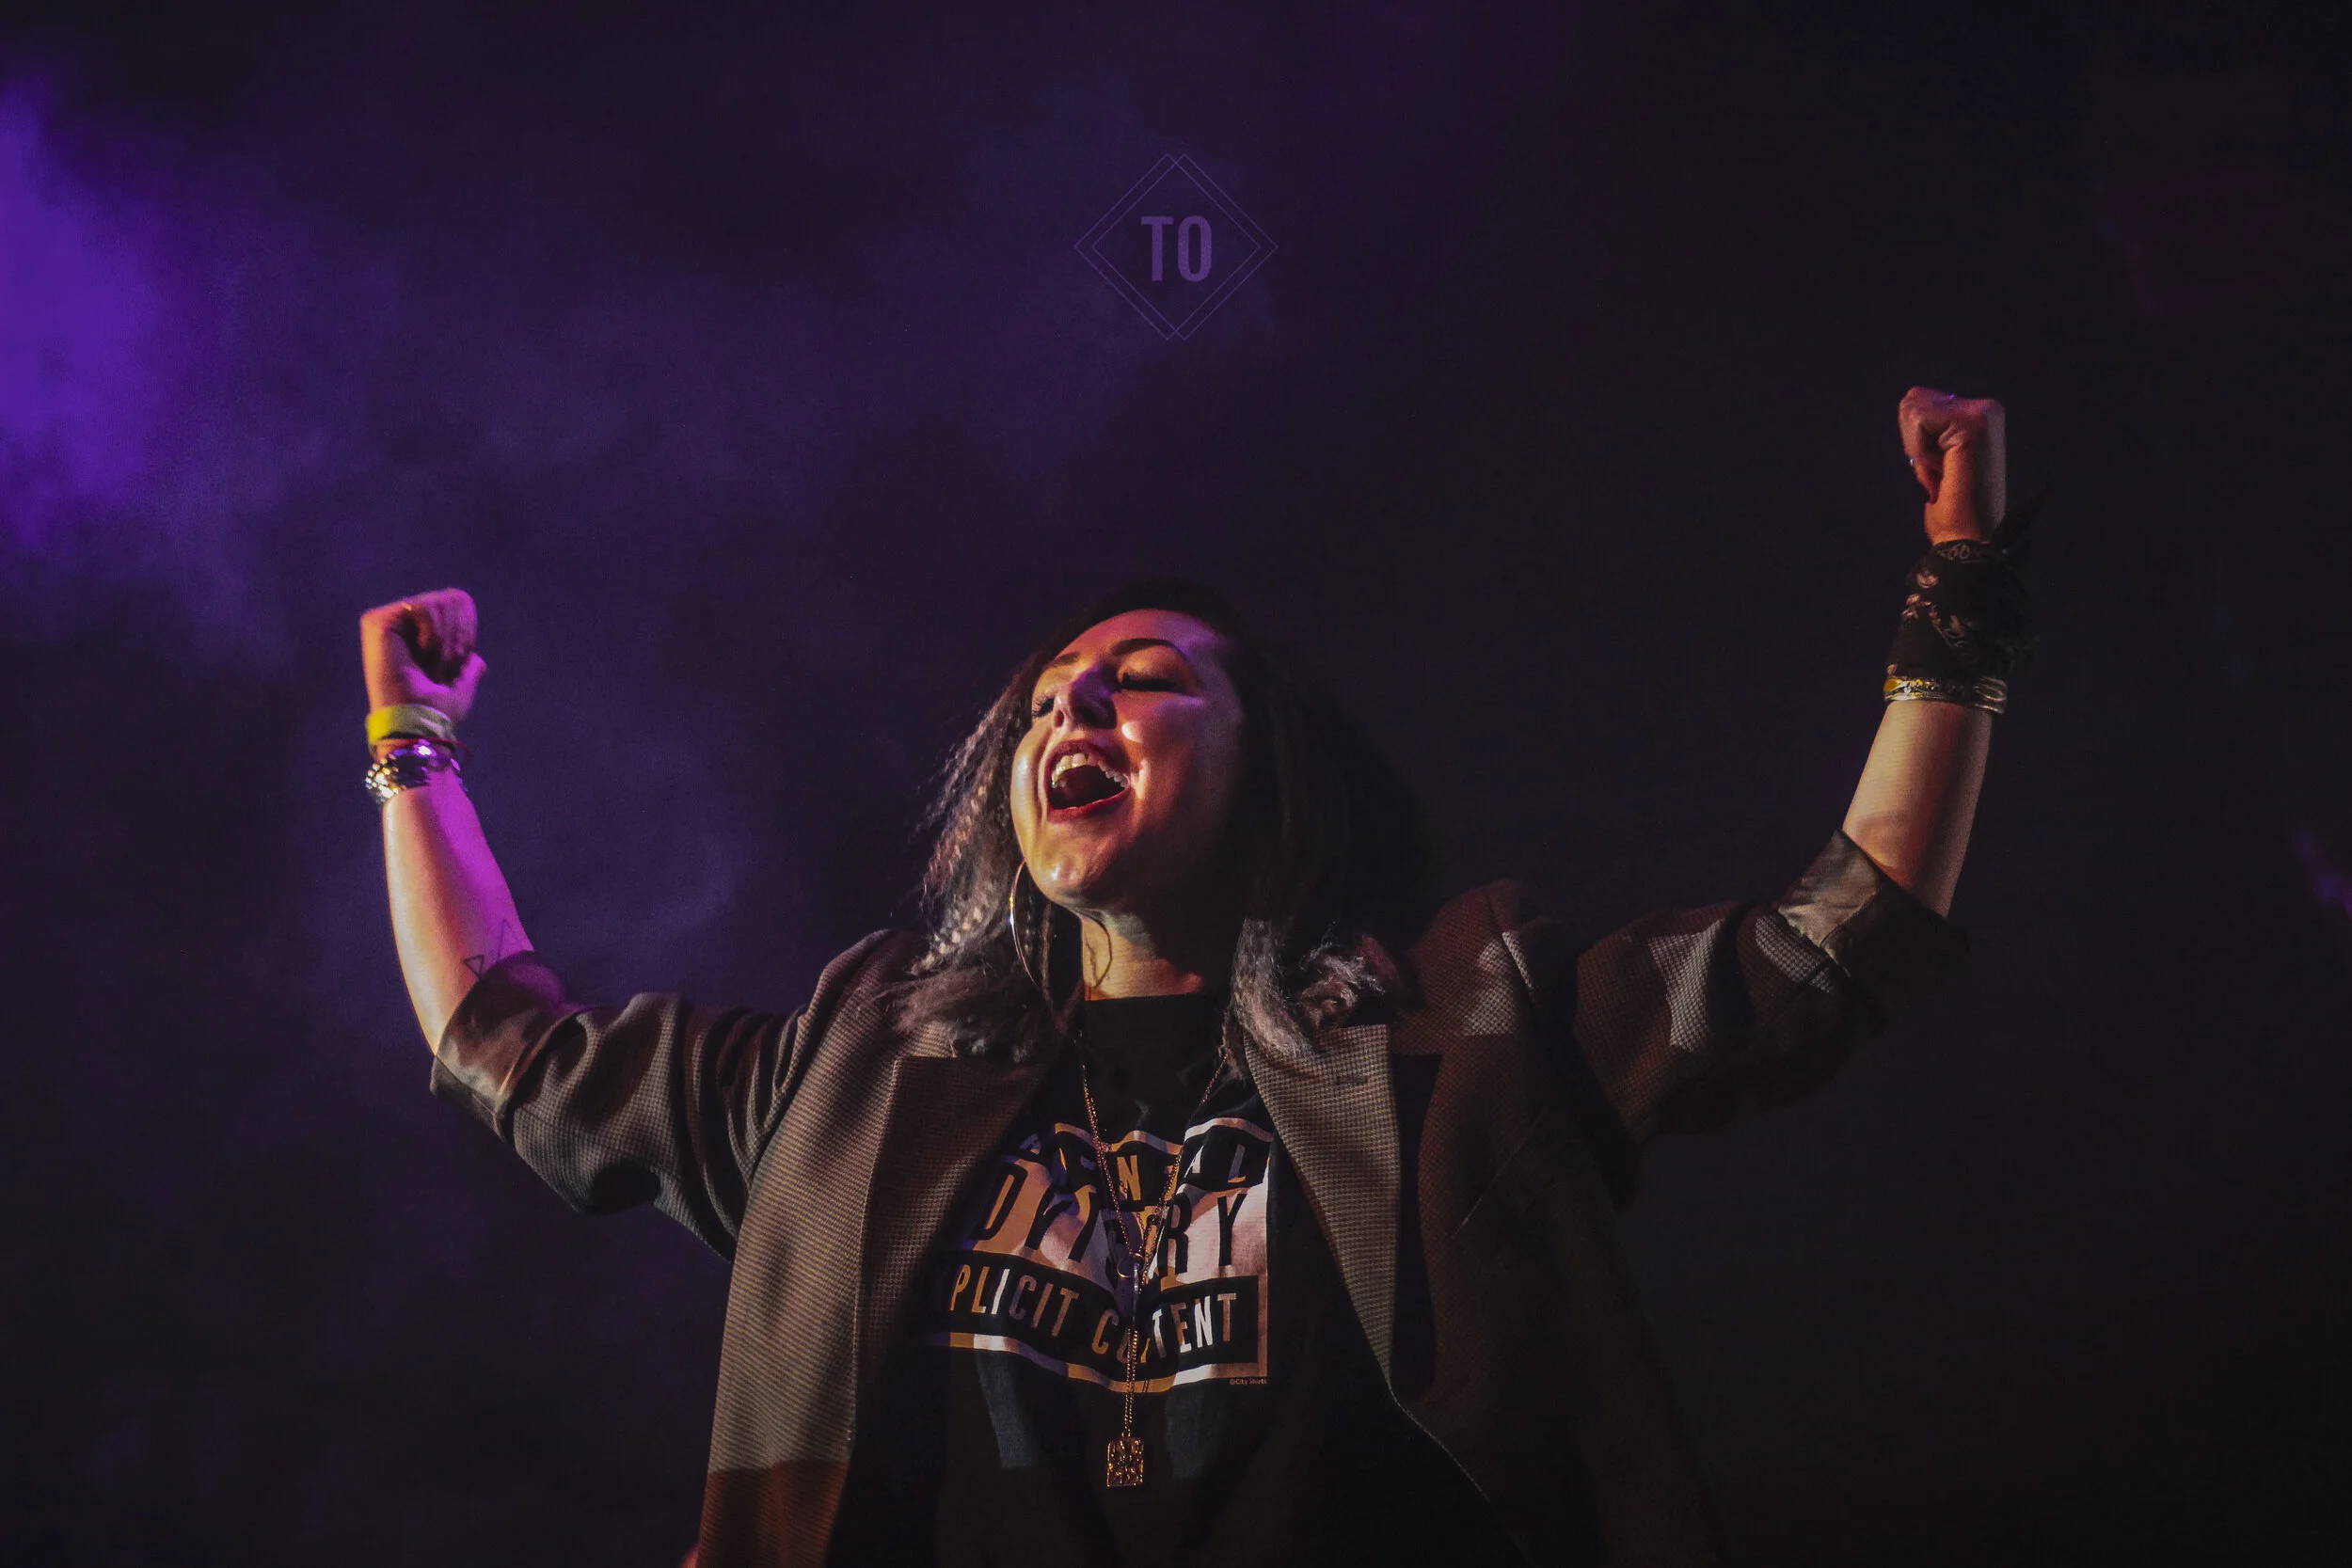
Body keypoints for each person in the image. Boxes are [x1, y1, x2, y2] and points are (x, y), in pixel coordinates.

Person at [359, 388, 2030, 1566]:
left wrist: (1963, 585)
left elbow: (1839, 934)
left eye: (1143, 681)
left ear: (1266, 765)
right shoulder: (863, 1065)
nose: (1072, 709)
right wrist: (412, 746)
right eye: (1044, 702)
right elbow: (508, 1043)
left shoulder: (1465, 1023)